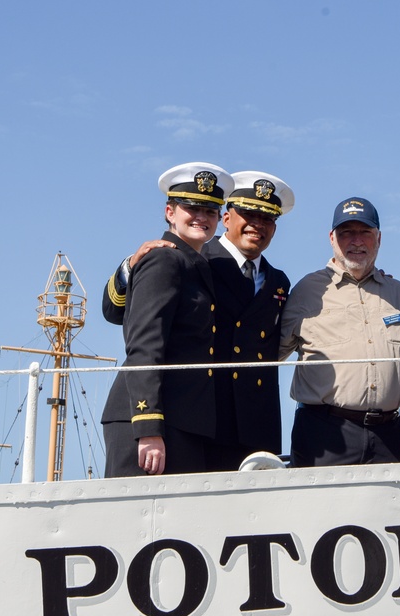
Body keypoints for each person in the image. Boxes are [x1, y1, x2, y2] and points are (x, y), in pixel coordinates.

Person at [103, 170, 293, 470]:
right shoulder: (187, 258)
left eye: (267, 218)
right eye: (248, 213)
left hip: (245, 426)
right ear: (228, 218)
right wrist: (131, 266)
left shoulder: (279, 282)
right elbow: (129, 323)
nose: (257, 224)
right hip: (192, 416)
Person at [102, 162, 232, 476]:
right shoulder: (163, 258)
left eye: (211, 210)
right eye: (192, 207)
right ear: (170, 212)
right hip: (151, 421)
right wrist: (148, 427)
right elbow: (145, 343)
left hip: (181, 421)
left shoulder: (195, 265)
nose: (202, 216)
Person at [279, 197, 400, 466]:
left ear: (379, 238)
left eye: (365, 232)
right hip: (325, 435)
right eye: (346, 233)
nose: (356, 241)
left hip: (391, 436)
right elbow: (266, 354)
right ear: (332, 238)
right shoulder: (306, 292)